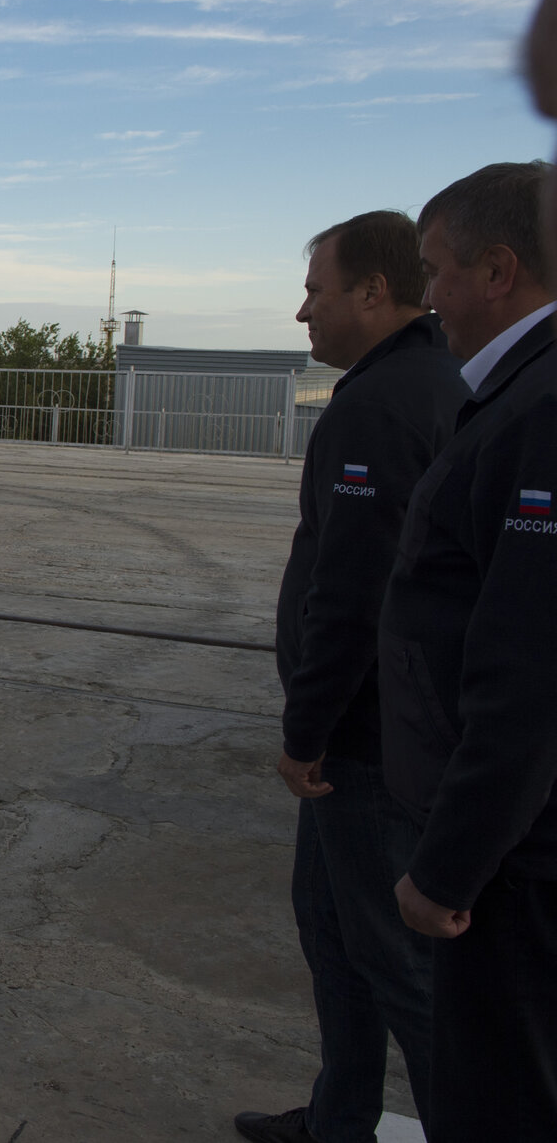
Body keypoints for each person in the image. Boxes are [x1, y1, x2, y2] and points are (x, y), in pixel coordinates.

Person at [234, 212, 465, 1143]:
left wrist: (306, 731)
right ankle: (341, 1118)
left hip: (363, 743)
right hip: (388, 731)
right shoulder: (439, 381)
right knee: (333, 936)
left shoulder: (376, 405)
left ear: (374, 292)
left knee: (390, 959)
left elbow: (352, 592)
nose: (302, 313)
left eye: (317, 292)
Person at [377, 162, 557, 1142]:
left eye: (437, 271)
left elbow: (529, 679)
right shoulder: (518, 395)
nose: (429, 296)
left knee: (502, 1099)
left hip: (515, 869)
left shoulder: (540, 413)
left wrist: (447, 868)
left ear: (499, 270)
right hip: (514, 850)